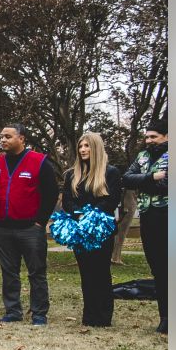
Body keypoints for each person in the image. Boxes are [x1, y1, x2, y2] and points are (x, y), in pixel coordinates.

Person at [0, 123, 59, 326]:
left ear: (22, 139)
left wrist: (39, 222)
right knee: (9, 272)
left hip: (30, 229)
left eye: (8, 136)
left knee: (36, 272)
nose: (3, 140)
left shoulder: (39, 162)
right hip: (3, 229)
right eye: (1, 136)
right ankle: (12, 311)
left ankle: (39, 313)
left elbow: (51, 194)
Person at [62, 132, 122, 327]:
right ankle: (89, 316)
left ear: (95, 148)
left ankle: (103, 316)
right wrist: (78, 215)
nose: (82, 150)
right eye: (80, 146)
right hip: (79, 230)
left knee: (101, 272)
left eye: (87, 146)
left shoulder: (111, 172)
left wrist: (91, 216)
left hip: (101, 230)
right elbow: (67, 201)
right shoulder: (72, 174)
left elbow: (111, 199)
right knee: (86, 273)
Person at [121, 120, 168, 334]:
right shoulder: (142, 157)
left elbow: (167, 185)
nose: (149, 141)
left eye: (154, 137)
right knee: (158, 267)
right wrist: (151, 177)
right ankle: (165, 316)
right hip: (149, 218)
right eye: (147, 137)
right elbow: (127, 179)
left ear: (166, 137)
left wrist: (146, 182)